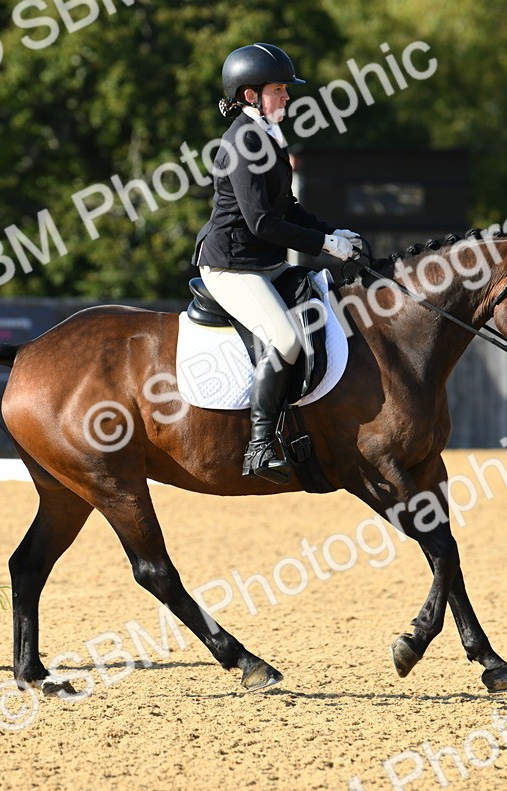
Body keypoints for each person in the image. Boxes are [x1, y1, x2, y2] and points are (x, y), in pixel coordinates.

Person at [192, 43, 362, 485]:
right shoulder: (244, 142)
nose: (287, 97)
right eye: (278, 90)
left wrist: (334, 233)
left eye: (286, 90)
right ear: (251, 96)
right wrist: (325, 244)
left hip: (261, 261)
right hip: (233, 265)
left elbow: (287, 207)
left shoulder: (267, 135)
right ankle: (260, 445)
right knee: (285, 337)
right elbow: (263, 222)